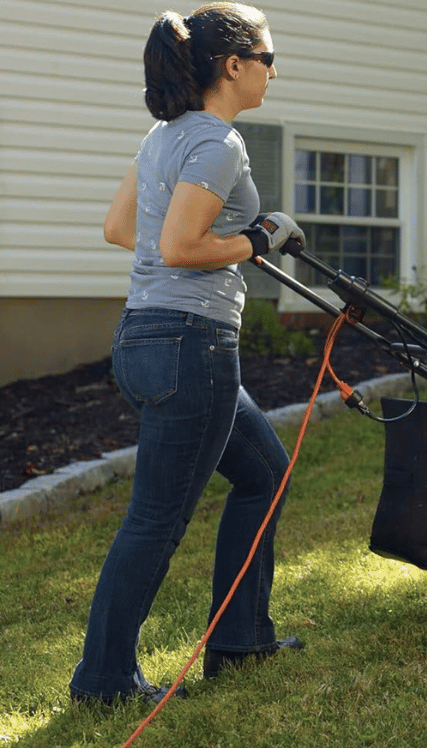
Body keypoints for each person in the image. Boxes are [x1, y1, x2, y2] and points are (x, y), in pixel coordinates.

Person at [70, 2, 305, 705]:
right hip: (190, 345)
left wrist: (226, 238)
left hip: (143, 336)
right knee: (156, 519)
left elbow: (120, 228)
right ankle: (104, 680)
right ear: (233, 66)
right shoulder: (218, 143)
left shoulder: (163, 136)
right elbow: (177, 247)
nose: (272, 71)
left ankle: (240, 639)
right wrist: (260, 239)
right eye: (267, 59)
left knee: (264, 472)